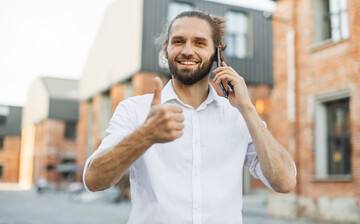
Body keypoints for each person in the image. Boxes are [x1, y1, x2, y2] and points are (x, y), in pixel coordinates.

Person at [83, 11, 296, 223]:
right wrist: (145, 136)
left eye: (199, 43)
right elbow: (94, 180)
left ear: (217, 54)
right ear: (166, 49)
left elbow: (285, 182)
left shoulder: (238, 115)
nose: (187, 50)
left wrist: (248, 108)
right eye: (178, 41)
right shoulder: (134, 110)